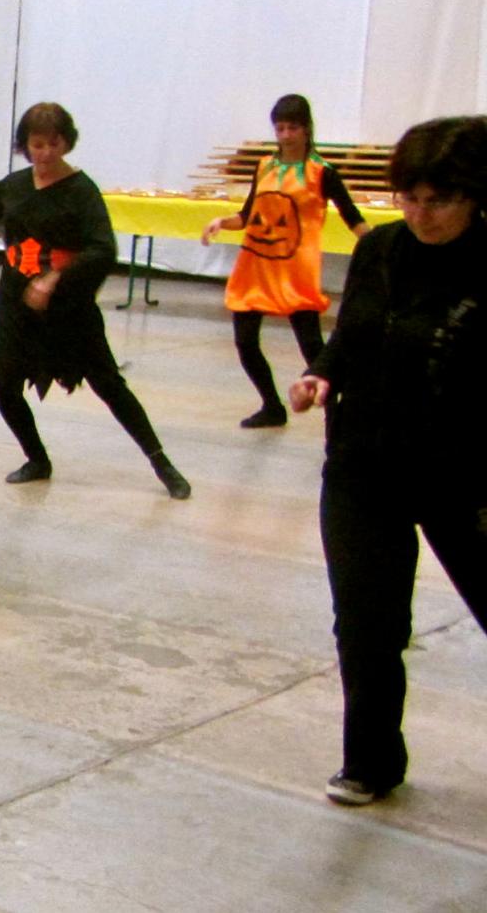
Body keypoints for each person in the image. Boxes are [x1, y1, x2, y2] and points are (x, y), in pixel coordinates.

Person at [289, 115, 486, 808]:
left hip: (462, 471)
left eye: (440, 200)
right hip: (362, 465)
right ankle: (370, 761)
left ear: (476, 196)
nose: (421, 214)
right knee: (365, 621)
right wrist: (320, 373)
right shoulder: (379, 251)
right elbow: (351, 335)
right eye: (409, 197)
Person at [0, 103, 190, 498]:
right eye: (36, 145)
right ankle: (37, 459)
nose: (44, 154)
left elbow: (102, 249)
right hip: (15, 300)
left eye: (53, 144)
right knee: (4, 382)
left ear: (66, 143)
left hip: (68, 306)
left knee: (108, 383)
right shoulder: (16, 185)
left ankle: (162, 463)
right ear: (25, 145)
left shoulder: (81, 190)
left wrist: (55, 279)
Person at [202, 94, 370, 428]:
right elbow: (248, 215)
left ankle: (337, 416)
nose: (286, 135)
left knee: (312, 348)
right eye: (280, 128)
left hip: (295, 273)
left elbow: (352, 217)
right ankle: (271, 405)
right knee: (245, 342)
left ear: (306, 129)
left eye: (292, 127)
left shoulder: (321, 172)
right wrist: (222, 222)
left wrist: (379, 247)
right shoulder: (265, 166)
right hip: (256, 268)